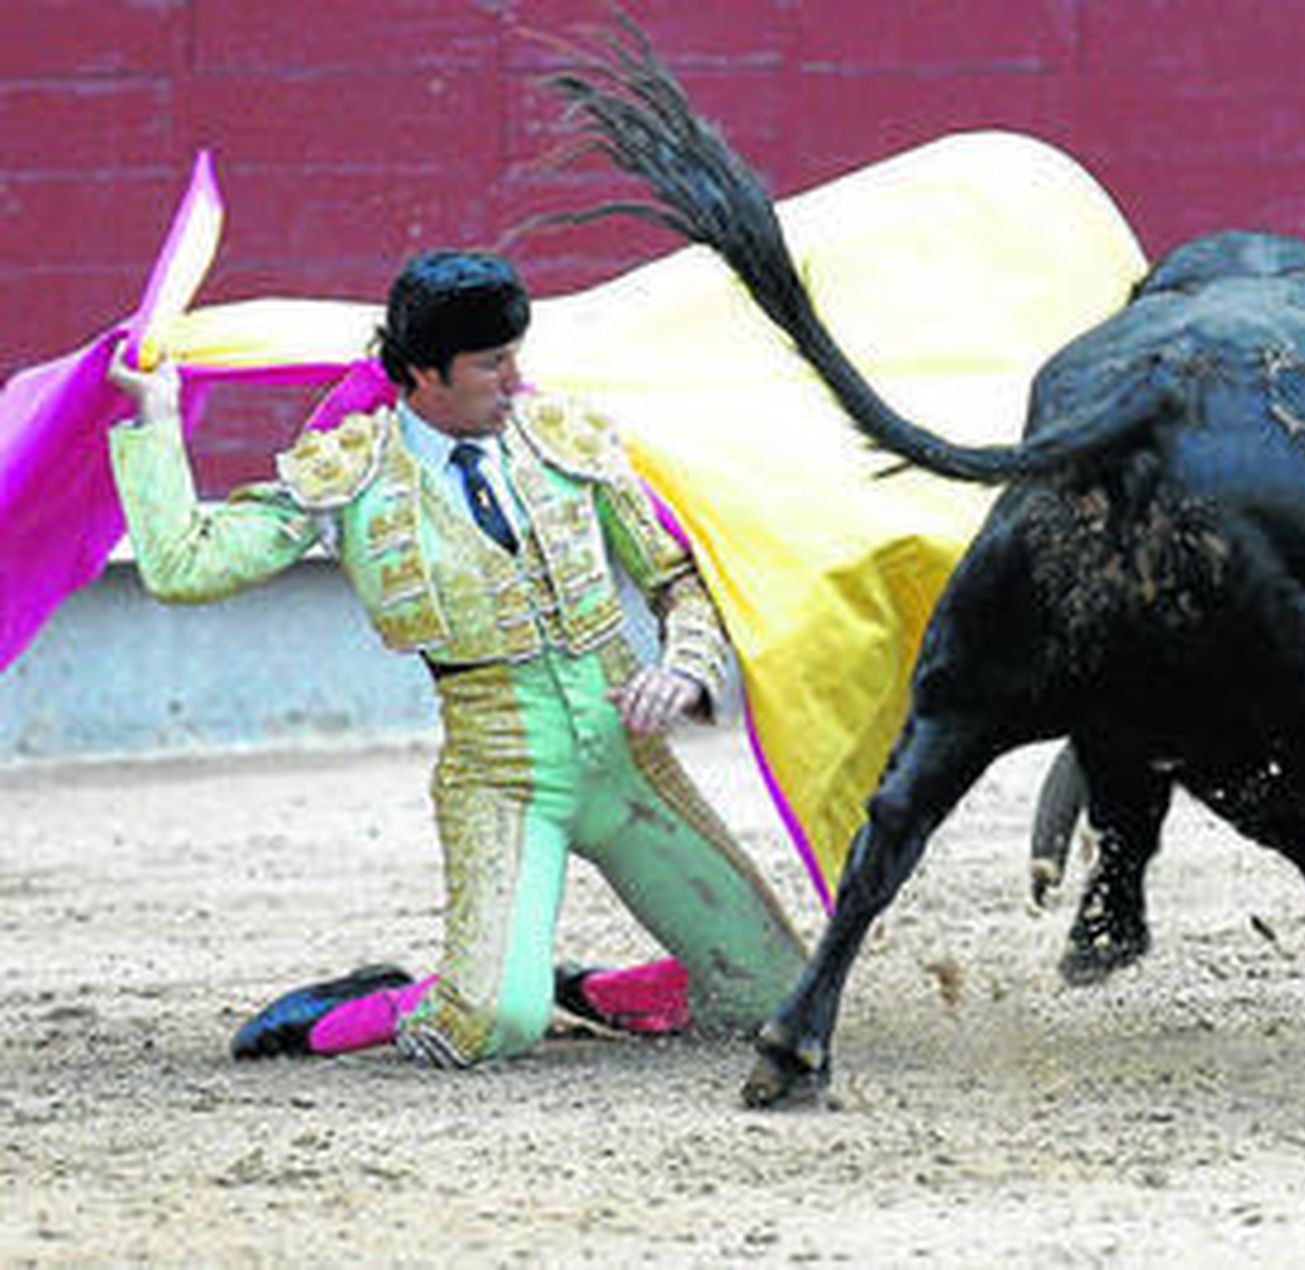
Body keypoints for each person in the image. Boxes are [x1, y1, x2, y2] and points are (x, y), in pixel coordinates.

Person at [105, 249, 808, 1068]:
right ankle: (376, 1004)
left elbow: (677, 579)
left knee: (774, 998)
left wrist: (685, 666)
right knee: (490, 1027)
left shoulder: (565, 440)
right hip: (506, 773)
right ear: (420, 373)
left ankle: (588, 990)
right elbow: (184, 566)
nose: (516, 380)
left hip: (632, 762)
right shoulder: (350, 474)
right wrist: (154, 422)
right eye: (491, 363)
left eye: (515, 355)